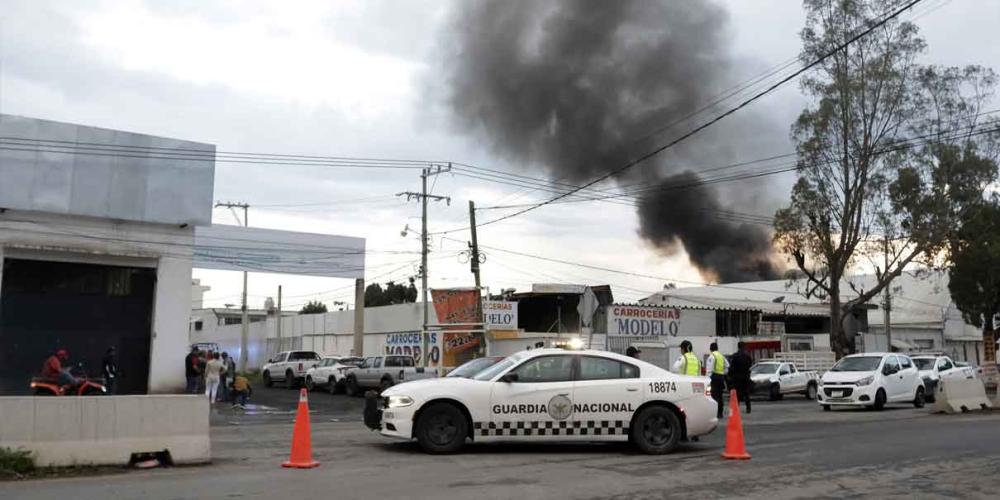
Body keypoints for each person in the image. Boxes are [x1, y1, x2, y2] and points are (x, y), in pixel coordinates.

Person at [728, 341, 754, 414]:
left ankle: (736, 408)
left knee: (737, 393)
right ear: (744, 347)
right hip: (745, 376)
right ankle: (748, 408)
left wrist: (730, 375)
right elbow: (750, 365)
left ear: (738, 346)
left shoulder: (735, 356)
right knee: (746, 393)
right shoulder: (747, 356)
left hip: (737, 377)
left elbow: (732, 367)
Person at [707, 342, 729, 419]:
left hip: (714, 377)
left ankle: (714, 413)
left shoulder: (711, 356)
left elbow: (709, 370)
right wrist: (723, 373)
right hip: (721, 377)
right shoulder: (721, 356)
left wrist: (708, 379)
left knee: (713, 396)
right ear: (717, 348)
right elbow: (727, 366)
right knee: (720, 396)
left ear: (710, 349)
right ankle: (720, 413)